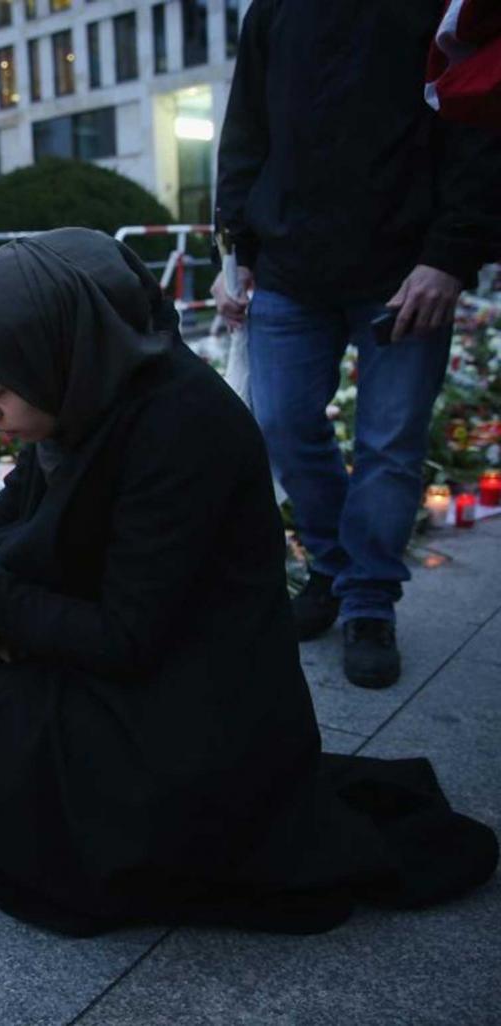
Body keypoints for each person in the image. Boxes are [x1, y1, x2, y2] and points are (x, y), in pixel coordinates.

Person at [0, 230, 496, 936]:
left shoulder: (183, 429)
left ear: (57, 352)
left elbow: (127, 637)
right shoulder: (87, 396)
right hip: (134, 665)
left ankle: (94, 838)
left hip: (185, 713)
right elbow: (15, 520)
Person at [212, 0, 501, 688]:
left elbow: (478, 125)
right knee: (279, 423)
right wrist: (236, 245)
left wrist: (451, 257)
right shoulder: (274, 10)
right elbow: (246, 125)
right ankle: (337, 568)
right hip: (289, 263)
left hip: (406, 269)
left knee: (390, 446)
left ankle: (368, 602)